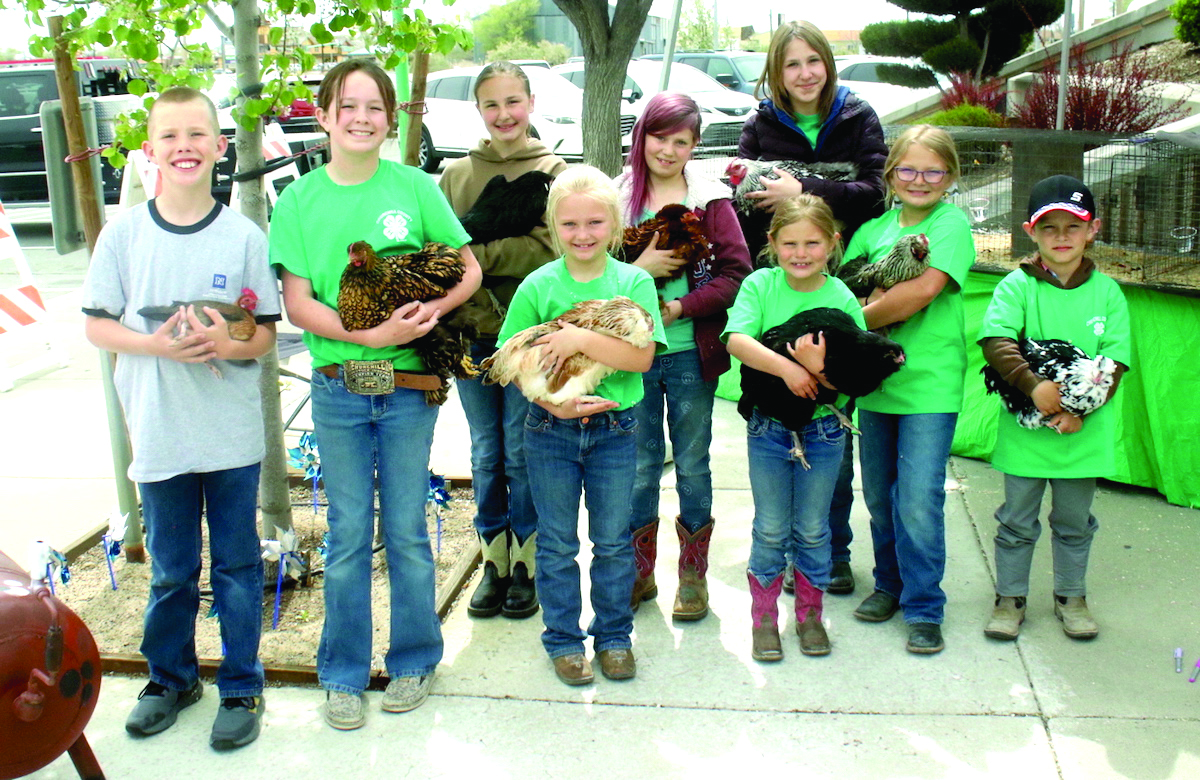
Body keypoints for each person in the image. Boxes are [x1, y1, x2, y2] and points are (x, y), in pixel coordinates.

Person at [270, 58, 480, 730]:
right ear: (325, 115)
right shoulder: (299, 201)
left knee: (408, 529)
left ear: (392, 119)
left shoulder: (414, 187)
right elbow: (298, 304)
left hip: (409, 388)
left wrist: (431, 312)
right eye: (347, 105)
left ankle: (414, 659)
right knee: (348, 532)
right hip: (338, 389)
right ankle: (342, 672)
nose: (361, 118)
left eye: (374, 107)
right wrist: (368, 335)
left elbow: (468, 267)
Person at [81, 86, 281, 749]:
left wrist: (229, 343)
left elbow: (263, 337)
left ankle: (243, 686)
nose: (184, 146)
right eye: (169, 136)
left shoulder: (244, 237)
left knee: (236, 568)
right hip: (161, 434)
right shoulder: (124, 236)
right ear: (148, 152)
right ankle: (170, 678)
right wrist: (158, 345)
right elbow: (98, 327)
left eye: (198, 134)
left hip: (230, 441)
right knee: (171, 569)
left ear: (221, 148)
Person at [496, 165, 666, 685]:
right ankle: (565, 641)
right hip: (551, 431)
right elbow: (511, 360)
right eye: (570, 225)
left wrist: (579, 341)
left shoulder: (633, 280)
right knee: (557, 542)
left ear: (613, 225)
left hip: (616, 430)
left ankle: (614, 636)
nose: (583, 234)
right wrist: (553, 404)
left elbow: (640, 359)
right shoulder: (538, 285)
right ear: (553, 227)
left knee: (613, 539)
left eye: (595, 222)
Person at [738, 19, 888, 596]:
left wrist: (801, 185)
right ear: (776, 72)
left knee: (831, 413)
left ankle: (832, 550)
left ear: (828, 63)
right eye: (791, 64)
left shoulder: (858, 117)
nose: (804, 74)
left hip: (839, 273)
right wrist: (783, 198)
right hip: (784, 283)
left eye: (813, 61)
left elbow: (873, 194)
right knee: (780, 402)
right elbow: (749, 201)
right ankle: (777, 550)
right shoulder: (760, 123)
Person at [613, 92, 752, 622]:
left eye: (681, 141)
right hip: (631, 355)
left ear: (695, 146)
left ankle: (692, 576)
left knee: (692, 461)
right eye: (659, 136)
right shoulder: (616, 197)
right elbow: (594, 271)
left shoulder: (711, 201)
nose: (667, 150)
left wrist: (679, 306)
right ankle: (638, 572)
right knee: (640, 463)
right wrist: (641, 266)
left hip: (691, 355)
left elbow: (735, 275)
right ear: (641, 135)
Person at [438, 62, 568, 620]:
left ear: (531, 103)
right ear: (479, 111)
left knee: (521, 448)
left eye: (513, 102)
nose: (504, 114)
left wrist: (476, 257)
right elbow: (438, 251)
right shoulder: (455, 175)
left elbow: (548, 250)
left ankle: (528, 562)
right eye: (492, 105)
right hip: (470, 333)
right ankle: (492, 558)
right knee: (486, 450)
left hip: (527, 336)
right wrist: (469, 268)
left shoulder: (554, 170)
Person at [978, 175, 1131, 641]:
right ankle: (1010, 597)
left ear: (1093, 230)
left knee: (1073, 520)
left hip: (1081, 435)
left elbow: (1117, 361)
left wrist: (1080, 410)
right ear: (1030, 231)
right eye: (1050, 228)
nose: (1061, 237)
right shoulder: (1017, 286)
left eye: (1073, 226)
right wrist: (1032, 384)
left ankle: (1071, 595)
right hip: (1027, 433)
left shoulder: (1108, 293)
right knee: (1017, 519)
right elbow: (997, 341)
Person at [845, 124, 975, 655]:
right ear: (891, 173)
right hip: (876, 387)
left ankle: (924, 605)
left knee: (917, 497)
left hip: (929, 384)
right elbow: (845, 280)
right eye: (909, 169)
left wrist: (853, 324)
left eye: (933, 170)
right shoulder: (871, 230)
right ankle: (889, 584)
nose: (920, 179)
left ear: (950, 177)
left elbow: (919, 293)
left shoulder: (951, 225)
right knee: (879, 495)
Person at [724, 194, 859, 660]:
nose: (801, 253)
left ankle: (810, 616)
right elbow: (737, 339)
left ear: (833, 244)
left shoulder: (840, 296)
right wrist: (788, 369)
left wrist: (819, 371)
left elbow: (855, 371)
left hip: (823, 431)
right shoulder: (761, 286)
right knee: (770, 527)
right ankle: (763, 619)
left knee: (813, 528)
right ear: (771, 244)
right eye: (790, 243)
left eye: (813, 243)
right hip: (768, 427)